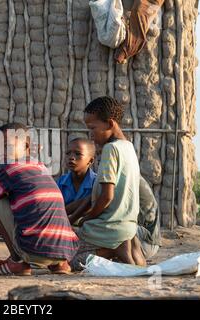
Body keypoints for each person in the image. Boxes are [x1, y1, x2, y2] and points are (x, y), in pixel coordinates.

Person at [0, 123, 79, 276]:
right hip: (66, 250)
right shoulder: (41, 168)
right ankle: (59, 265)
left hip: (33, 250)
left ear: (27, 147)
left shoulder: (9, 170)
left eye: (7, 146)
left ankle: (17, 262)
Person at [70, 96, 146, 268]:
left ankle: (112, 250)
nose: (91, 135)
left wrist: (89, 218)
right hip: (127, 225)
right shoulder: (128, 147)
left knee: (65, 259)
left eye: (93, 128)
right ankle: (123, 247)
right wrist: (76, 217)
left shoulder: (110, 149)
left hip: (107, 227)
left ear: (110, 124)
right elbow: (97, 195)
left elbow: (106, 196)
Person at [56, 138, 97, 223]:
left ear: (91, 160)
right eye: (68, 153)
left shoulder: (96, 183)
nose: (71, 157)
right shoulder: (60, 183)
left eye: (78, 154)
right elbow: (55, 210)